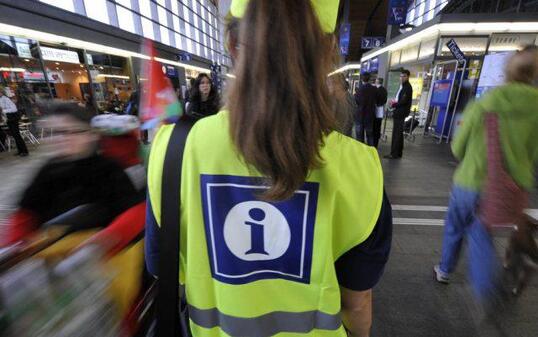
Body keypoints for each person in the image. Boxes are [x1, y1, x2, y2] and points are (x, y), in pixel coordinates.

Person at [145, 1, 392, 337]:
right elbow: (357, 301)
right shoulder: (361, 168)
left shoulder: (173, 149)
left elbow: (165, 268)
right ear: (328, 50)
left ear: (232, 44)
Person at [433, 46, 538, 304]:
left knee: (456, 225)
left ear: (507, 71)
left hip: (470, 180)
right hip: (509, 189)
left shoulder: (485, 104)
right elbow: (533, 154)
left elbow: (458, 147)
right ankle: (486, 286)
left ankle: (447, 271)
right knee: (481, 231)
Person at [1, 102, 143, 246]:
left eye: (72, 131)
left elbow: (135, 213)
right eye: (55, 132)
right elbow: (25, 214)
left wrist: (104, 241)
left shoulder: (109, 169)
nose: (61, 139)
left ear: (91, 135)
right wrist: (13, 247)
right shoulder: (47, 172)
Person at [385, 69, 412, 159]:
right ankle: (399, 152)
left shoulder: (407, 87)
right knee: (399, 133)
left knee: (396, 133)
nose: (401, 78)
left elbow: (403, 101)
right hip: (399, 112)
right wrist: (394, 102)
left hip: (400, 112)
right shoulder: (403, 86)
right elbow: (400, 99)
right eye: (401, 76)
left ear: (408, 77)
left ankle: (394, 154)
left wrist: (393, 104)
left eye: (404, 76)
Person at [0, 88, 29, 156]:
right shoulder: (1, 99)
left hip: (13, 118)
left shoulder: (6, 99)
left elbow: (14, 109)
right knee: (14, 135)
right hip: (8, 119)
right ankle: (20, 150)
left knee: (17, 135)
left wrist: (3, 111)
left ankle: (24, 151)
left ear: (1, 92)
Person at [354, 72, 377, 146]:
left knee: (359, 137)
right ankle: (371, 151)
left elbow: (357, 102)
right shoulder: (374, 89)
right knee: (370, 136)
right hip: (370, 116)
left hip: (360, 116)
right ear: (369, 79)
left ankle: (361, 152)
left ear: (361, 79)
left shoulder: (359, 90)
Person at [374, 77, 388, 148]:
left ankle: (373, 143)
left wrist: (376, 104)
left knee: (374, 126)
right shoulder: (384, 90)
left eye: (376, 80)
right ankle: (376, 142)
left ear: (377, 81)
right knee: (378, 126)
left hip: (375, 109)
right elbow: (385, 100)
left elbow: (374, 99)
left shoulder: (375, 90)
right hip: (381, 110)